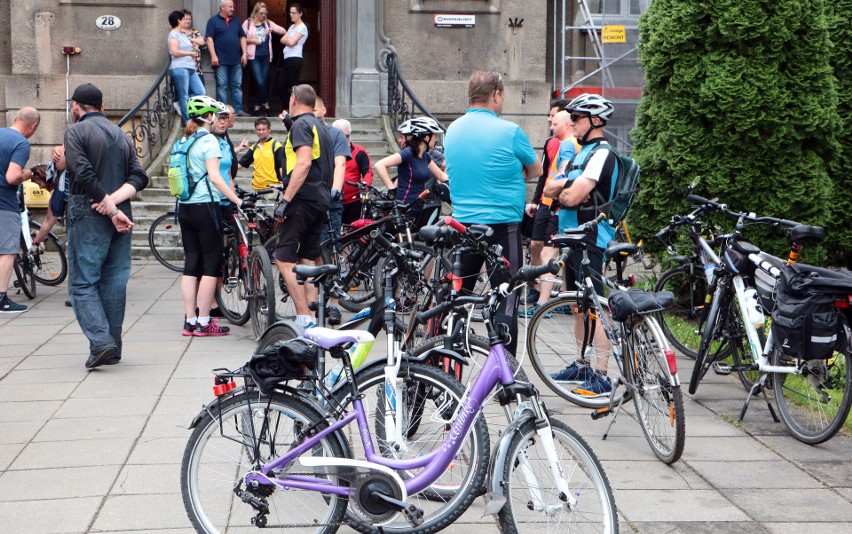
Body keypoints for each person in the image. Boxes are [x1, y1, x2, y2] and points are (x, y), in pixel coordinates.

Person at [443, 71, 542, 356]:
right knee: (506, 297)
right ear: (496, 94)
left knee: (459, 297)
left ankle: (448, 360)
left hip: (464, 226)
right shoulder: (510, 131)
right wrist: (514, 171)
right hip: (502, 226)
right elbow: (536, 170)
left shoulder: (453, 129)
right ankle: (505, 371)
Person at [64, 84, 147, 369]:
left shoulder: (76, 131)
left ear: (77, 106)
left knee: (83, 283)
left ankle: (101, 342)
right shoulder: (120, 133)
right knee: (114, 282)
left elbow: (82, 172)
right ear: (101, 105)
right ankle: (111, 349)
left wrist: (108, 206)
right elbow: (139, 176)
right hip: (120, 212)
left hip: (89, 212)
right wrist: (115, 204)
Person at [543, 93, 619, 396]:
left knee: (595, 308)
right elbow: (551, 189)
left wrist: (566, 189)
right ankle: (581, 363)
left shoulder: (600, 153)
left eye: (577, 118)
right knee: (577, 304)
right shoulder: (579, 153)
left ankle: (601, 373)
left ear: (595, 121)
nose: (571, 122)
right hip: (572, 237)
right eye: (570, 118)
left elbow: (571, 198)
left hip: (591, 238)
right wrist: (565, 186)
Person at [177, 96, 245, 337]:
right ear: (208, 117)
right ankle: (205, 321)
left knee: (190, 264)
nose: (217, 118)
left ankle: (190, 321)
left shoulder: (184, 139)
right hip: (206, 207)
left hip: (184, 208)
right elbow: (216, 177)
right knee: (210, 265)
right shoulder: (209, 141)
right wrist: (237, 200)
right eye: (215, 114)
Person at [272, 84, 333, 328]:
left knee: (284, 259)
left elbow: (304, 163)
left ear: (294, 98)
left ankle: (302, 318)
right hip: (320, 200)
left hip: (302, 200)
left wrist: (285, 200)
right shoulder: (320, 125)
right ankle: (314, 319)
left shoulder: (301, 125)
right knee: (308, 259)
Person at [520, 109, 579, 317]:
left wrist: (555, 191)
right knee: (555, 254)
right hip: (556, 205)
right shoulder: (567, 143)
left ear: (566, 124)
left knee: (548, 254)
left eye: (554, 123)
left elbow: (564, 173)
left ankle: (543, 305)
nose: (551, 126)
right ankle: (560, 300)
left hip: (558, 206)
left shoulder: (568, 144)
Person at [524, 99, 567, 305]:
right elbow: (543, 175)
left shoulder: (573, 144)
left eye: (553, 117)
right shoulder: (550, 143)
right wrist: (535, 201)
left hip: (560, 205)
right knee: (535, 245)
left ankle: (547, 297)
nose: (549, 121)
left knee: (553, 250)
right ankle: (535, 285)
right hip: (545, 201)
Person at [374, 117, 447, 230]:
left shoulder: (425, 156)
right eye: (434, 135)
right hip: (404, 206)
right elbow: (379, 165)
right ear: (426, 137)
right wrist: (391, 188)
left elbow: (441, 176)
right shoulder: (408, 153)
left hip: (418, 205)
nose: (436, 138)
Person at [0, 107, 40, 314]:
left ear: (15, 118)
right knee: (7, 250)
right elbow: (11, 177)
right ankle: (1, 299)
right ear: (32, 127)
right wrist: (28, 173)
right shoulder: (21, 143)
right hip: (4, 204)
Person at [242, 2, 287, 116]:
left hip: (266, 56)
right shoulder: (248, 23)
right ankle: (266, 105)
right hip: (254, 56)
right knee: (260, 82)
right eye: (261, 13)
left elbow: (282, 31)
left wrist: (273, 30)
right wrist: (253, 41)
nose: (264, 15)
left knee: (262, 82)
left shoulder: (267, 23)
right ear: (255, 12)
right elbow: (242, 38)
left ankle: (257, 107)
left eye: (265, 13)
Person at [205, 0, 248, 116]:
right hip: (221, 61)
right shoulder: (213, 21)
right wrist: (213, 55)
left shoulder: (236, 21)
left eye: (233, 6)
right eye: (230, 7)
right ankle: (223, 110)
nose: (232, 9)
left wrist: (244, 53)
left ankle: (238, 110)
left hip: (236, 60)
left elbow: (242, 37)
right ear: (222, 7)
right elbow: (209, 39)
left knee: (237, 86)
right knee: (222, 85)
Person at [332, 119, 373, 225]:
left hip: (353, 200)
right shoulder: (327, 151)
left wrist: (365, 185)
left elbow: (368, 172)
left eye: (346, 136)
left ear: (350, 135)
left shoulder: (360, 152)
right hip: (332, 199)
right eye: (339, 136)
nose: (343, 139)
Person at [168, 9, 206, 124]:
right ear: (179, 20)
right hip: (180, 68)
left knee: (201, 92)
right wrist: (190, 53)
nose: (186, 21)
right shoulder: (173, 34)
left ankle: (181, 101)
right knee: (184, 95)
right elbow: (174, 51)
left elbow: (198, 44)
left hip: (191, 68)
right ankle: (188, 121)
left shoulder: (183, 34)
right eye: (184, 19)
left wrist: (194, 47)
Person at [237, 117, 285, 191]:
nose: (261, 132)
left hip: (273, 188)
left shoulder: (276, 146)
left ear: (269, 130)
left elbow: (281, 167)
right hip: (256, 189)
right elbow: (240, 164)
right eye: (259, 130)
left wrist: (284, 185)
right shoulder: (254, 147)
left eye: (263, 129)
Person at [278, 3, 308, 112]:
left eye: (294, 13)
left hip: (295, 59)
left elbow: (292, 42)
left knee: (294, 86)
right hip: (287, 59)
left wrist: (289, 41)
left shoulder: (302, 27)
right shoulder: (292, 27)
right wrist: (288, 41)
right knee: (281, 85)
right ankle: (286, 108)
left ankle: (296, 109)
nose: (291, 15)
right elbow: (282, 40)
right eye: (290, 13)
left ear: (300, 14)